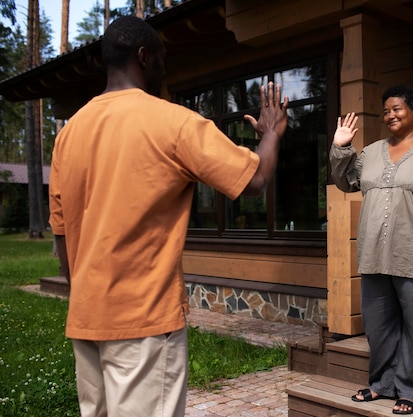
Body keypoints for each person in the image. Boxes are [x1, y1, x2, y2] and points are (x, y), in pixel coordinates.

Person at [48, 16, 289, 417]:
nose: (165, 67)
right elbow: (256, 178)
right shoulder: (173, 122)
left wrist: (86, 295)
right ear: (144, 57)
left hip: (87, 319)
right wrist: (272, 133)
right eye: (162, 58)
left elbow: (61, 235)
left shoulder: (70, 134)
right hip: (143, 323)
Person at [329, 85, 413, 415]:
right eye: (386, 110)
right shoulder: (372, 152)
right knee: (378, 325)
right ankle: (381, 384)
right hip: (375, 252)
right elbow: (346, 182)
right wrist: (340, 147)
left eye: (397, 109)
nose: (390, 115)